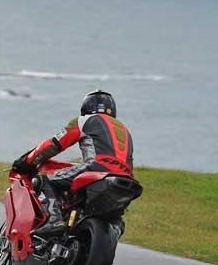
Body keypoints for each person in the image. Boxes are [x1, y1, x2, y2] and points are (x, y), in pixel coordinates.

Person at [12, 90, 133, 237]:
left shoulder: (85, 120)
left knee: (45, 180)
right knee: (116, 215)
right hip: (126, 179)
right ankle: (116, 226)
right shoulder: (125, 130)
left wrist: (27, 161)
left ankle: (54, 220)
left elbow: (54, 144)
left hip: (97, 168)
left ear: (86, 107)